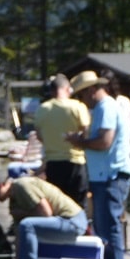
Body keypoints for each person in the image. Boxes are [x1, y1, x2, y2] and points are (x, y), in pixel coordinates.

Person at [66, 69, 130, 259]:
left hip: (111, 175)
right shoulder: (101, 109)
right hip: (102, 175)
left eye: (83, 94)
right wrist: (83, 139)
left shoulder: (106, 107)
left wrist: (79, 143)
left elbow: (105, 142)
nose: (82, 100)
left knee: (111, 224)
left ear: (93, 90)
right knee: (102, 225)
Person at [29, 73, 91, 204]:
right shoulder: (78, 106)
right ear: (68, 89)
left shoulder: (42, 109)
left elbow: (40, 136)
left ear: (52, 91)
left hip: (53, 164)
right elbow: (87, 133)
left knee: (58, 204)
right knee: (78, 204)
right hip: (75, 161)